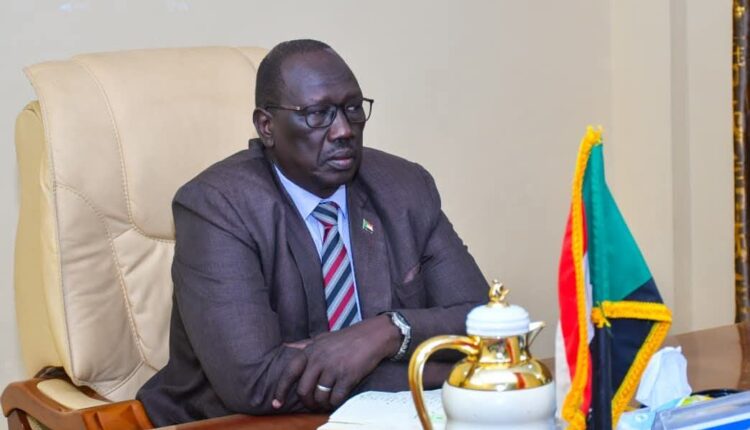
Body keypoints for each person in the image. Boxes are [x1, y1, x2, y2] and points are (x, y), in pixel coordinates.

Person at [136, 39, 488, 426]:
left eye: (353, 108)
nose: (344, 130)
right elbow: (254, 382)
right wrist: (440, 370)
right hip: (227, 423)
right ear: (267, 127)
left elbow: (486, 327)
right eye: (318, 114)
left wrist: (385, 333)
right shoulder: (217, 206)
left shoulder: (404, 188)